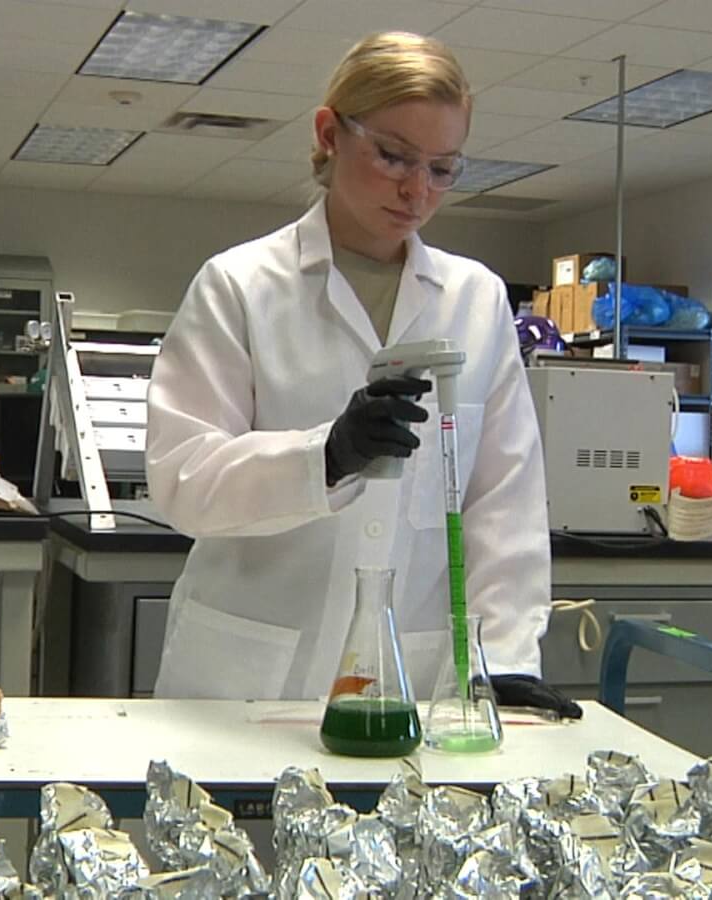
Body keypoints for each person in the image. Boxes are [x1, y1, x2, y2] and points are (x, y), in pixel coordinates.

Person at [145, 32, 577, 718]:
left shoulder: (475, 297)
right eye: (394, 156)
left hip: (413, 678)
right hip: (248, 684)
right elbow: (182, 479)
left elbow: (504, 500)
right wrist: (325, 457)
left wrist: (506, 658)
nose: (416, 190)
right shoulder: (240, 285)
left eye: (443, 168)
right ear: (329, 133)